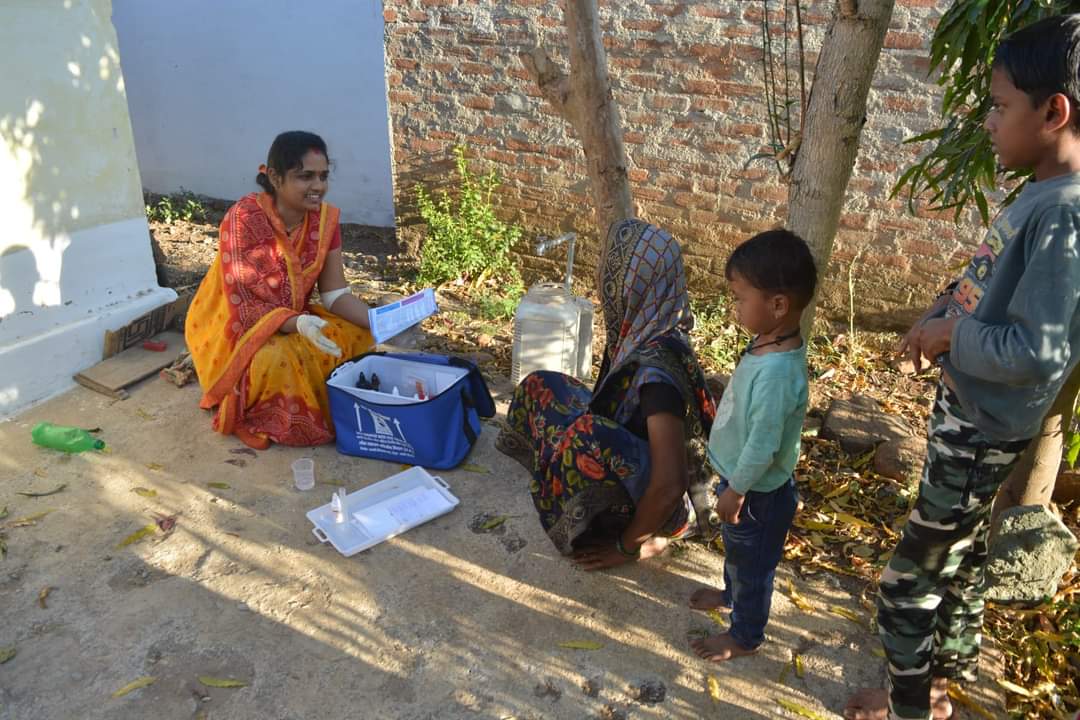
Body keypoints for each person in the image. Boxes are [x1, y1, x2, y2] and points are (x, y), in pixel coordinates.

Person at [846, 15, 1080, 720]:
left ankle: (910, 705)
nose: (986, 122)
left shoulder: (1065, 218)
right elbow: (990, 280)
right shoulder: (1041, 194)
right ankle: (949, 671)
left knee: (909, 579)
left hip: (981, 427)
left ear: (1053, 111)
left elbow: (1039, 351)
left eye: (999, 106)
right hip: (972, 419)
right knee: (963, 551)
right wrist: (941, 312)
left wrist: (952, 336)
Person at [497, 219, 718, 567]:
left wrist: (627, 547)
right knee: (541, 385)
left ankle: (650, 533)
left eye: (610, 269)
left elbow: (671, 483)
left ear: (632, 284)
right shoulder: (646, 325)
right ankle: (559, 471)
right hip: (634, 452)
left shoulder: (657, 375)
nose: (602, 277)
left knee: (585, 436)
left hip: (668, 503)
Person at [186, 131, 374, 449]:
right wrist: (298, 323)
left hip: (292, 318)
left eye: (323, 176)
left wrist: (383, 320)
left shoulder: (326, 220)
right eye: (305, 176)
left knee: (357, 337)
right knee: (277, 360)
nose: (318, 187)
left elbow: (335, 295)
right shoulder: (243, 219)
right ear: (274, 176)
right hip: (233, 328)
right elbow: (245, 304)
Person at [687, 230, 817, 663]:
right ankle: (731, 595)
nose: (735, 306)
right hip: (741, 484)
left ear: (778, 305)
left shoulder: (779, 373)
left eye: (741, 298)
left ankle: (745, 635)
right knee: (738, 552)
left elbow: (764, 445)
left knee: (754, 566)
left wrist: (736, 489)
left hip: (757, 493)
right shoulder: (770, 340)